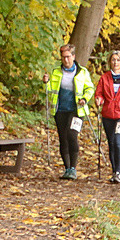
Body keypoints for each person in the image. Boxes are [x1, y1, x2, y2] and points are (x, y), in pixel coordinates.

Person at [42, 44, 96, 179]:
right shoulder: (56, 72)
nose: (66, 60)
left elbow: (90, 88)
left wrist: (84, 98)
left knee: (72, 135)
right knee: (63, 138)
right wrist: (46, 83)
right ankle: (67, 168)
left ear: (73, 56)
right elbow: (51, 90)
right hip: (60, 109)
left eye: (68, 57)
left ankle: (73, 167)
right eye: (63, 57)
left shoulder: (82, 72)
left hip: (77, 110)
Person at [94, 50, 120, 184]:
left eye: (118, 60)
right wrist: (99, 99)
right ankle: (114, 171)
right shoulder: (104, 77)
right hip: (108, 115)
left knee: (119, 142)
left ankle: (119, 171)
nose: (116, 62)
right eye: (113, 60)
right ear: (110, 62)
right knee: (112, 143)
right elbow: (99, 93)